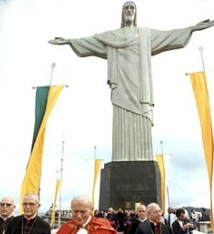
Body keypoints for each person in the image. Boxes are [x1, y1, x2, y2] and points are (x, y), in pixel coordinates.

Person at [48, 1, 214, 162]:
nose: (128, 11)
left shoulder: (145, 35)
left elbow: (168, 36)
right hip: (121, 86)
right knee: (122, 121)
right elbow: (91, 42)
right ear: (122, 13)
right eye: (126, 8)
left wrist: (192, 28)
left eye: (131, 8)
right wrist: (69, 41)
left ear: (135, 13)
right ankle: (122, 158)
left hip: (140, 87)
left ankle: (142, 157)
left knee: (141, 120)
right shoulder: (112, 36)